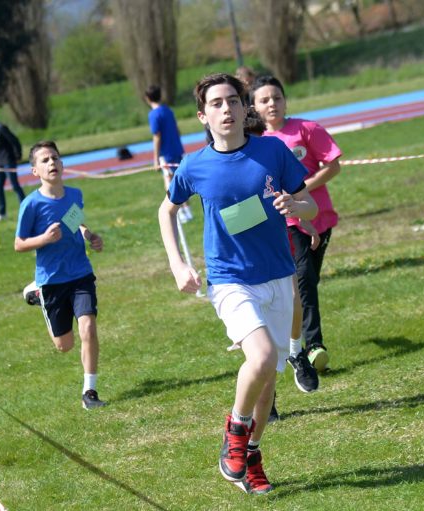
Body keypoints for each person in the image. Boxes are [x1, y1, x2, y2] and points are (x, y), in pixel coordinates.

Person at [157, 73, 317, 494]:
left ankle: (252, 454)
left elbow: (310, 205)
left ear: (246, 108)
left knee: (268, 380)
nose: (226, 109)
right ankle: (235, 431)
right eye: (216, 103)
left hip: (277, 275)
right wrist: (177, 265)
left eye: (232, 100)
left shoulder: (272, 151)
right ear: (202, 116)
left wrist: (295, 204)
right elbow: (166, 211)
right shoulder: (194, 166)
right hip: (229, 280)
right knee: (260, 358)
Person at [252, 75, 342, 373]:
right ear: (254, 107)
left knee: (308, 281)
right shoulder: (255, 142)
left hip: (317, 216)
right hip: (283, 222)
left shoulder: (307, 129)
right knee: (302, 283)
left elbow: (333, 166)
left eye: (277, 98)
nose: (272, 104)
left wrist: (300, 189)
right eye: (264, 100)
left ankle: (297, 344)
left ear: (285, 101)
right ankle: (311, 347)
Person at [15, 140, 106, 410]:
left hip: (80, 273)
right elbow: (19, 244)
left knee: (88, 327)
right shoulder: (31, 204)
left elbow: (75, 222)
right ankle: (37, 294)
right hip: (52, 280)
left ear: (62, 164)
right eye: (44, 160)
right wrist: (43, 239)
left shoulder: (74, 195)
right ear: (35, 171)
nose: (51, 162)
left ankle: (89, 391)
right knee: (64, 345)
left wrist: (89, 235)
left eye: (54, 157)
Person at [144, 84, 192, 223]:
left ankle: (180, 212)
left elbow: (157, 136)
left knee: (170, 183)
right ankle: (187, 210)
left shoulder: (154, 114)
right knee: (180, 180)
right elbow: (177, 130)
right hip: (177, 149)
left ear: (147, 98)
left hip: (166, 153)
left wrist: (155, 158)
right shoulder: (168, 110)